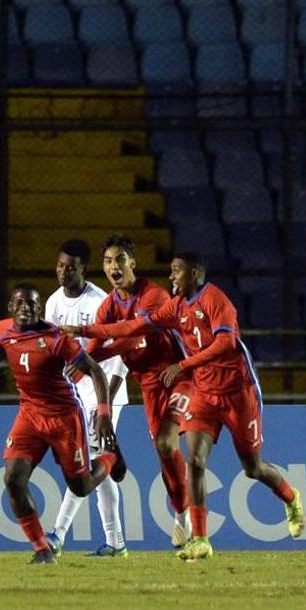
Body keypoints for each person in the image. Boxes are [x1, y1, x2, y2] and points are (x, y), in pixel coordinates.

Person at [67, 252, 305, 562]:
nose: (172, 277)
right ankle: (201, 538)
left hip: (237, 392)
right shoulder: (175, 307)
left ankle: (291, 497)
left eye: (176, 271)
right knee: (195, 460)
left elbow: (225, 344)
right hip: (204, 393)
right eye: (171, 271)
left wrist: (184, 364)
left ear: (194, 273)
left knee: (252, 468)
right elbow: (132, 328)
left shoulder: (216, 301)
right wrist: (83, 332)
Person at [0, 284, 125, 564]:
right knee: (12, 479)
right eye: (20, 303)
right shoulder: (3, 330)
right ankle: (42, 549)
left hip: (64, 418)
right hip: (30, 416)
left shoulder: (55, 338)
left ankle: (109, 458)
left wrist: (104, 412)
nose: (26, 308)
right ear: (11, 306)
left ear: (39, 308)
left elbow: (94, 371)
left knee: (80, 487)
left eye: (32, 304)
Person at [84, 234, 192, 549]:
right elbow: (92, 353)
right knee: (165, 450)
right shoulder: (107, 307)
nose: (113, 266)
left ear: (133, 262)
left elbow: (135, 334)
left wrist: (93, 350)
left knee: (171, 442)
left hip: (179, 376)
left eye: (120, 259)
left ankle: (192, 519)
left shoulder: (153, 296)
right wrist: (74, 364)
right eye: (107, 261)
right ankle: (182, 511)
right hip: (149, 386)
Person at [43, 239, 131, 557]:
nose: (64, 272)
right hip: (77, 397)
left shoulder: (100, 303)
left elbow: (121, 354)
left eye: (71, 267)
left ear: (84, 270)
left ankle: (57, 534)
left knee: (87, 464)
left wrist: (105, 406)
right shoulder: (53, 303)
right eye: (60, 266)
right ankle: (116, 542)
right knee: (100, 472)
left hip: (105, 392)